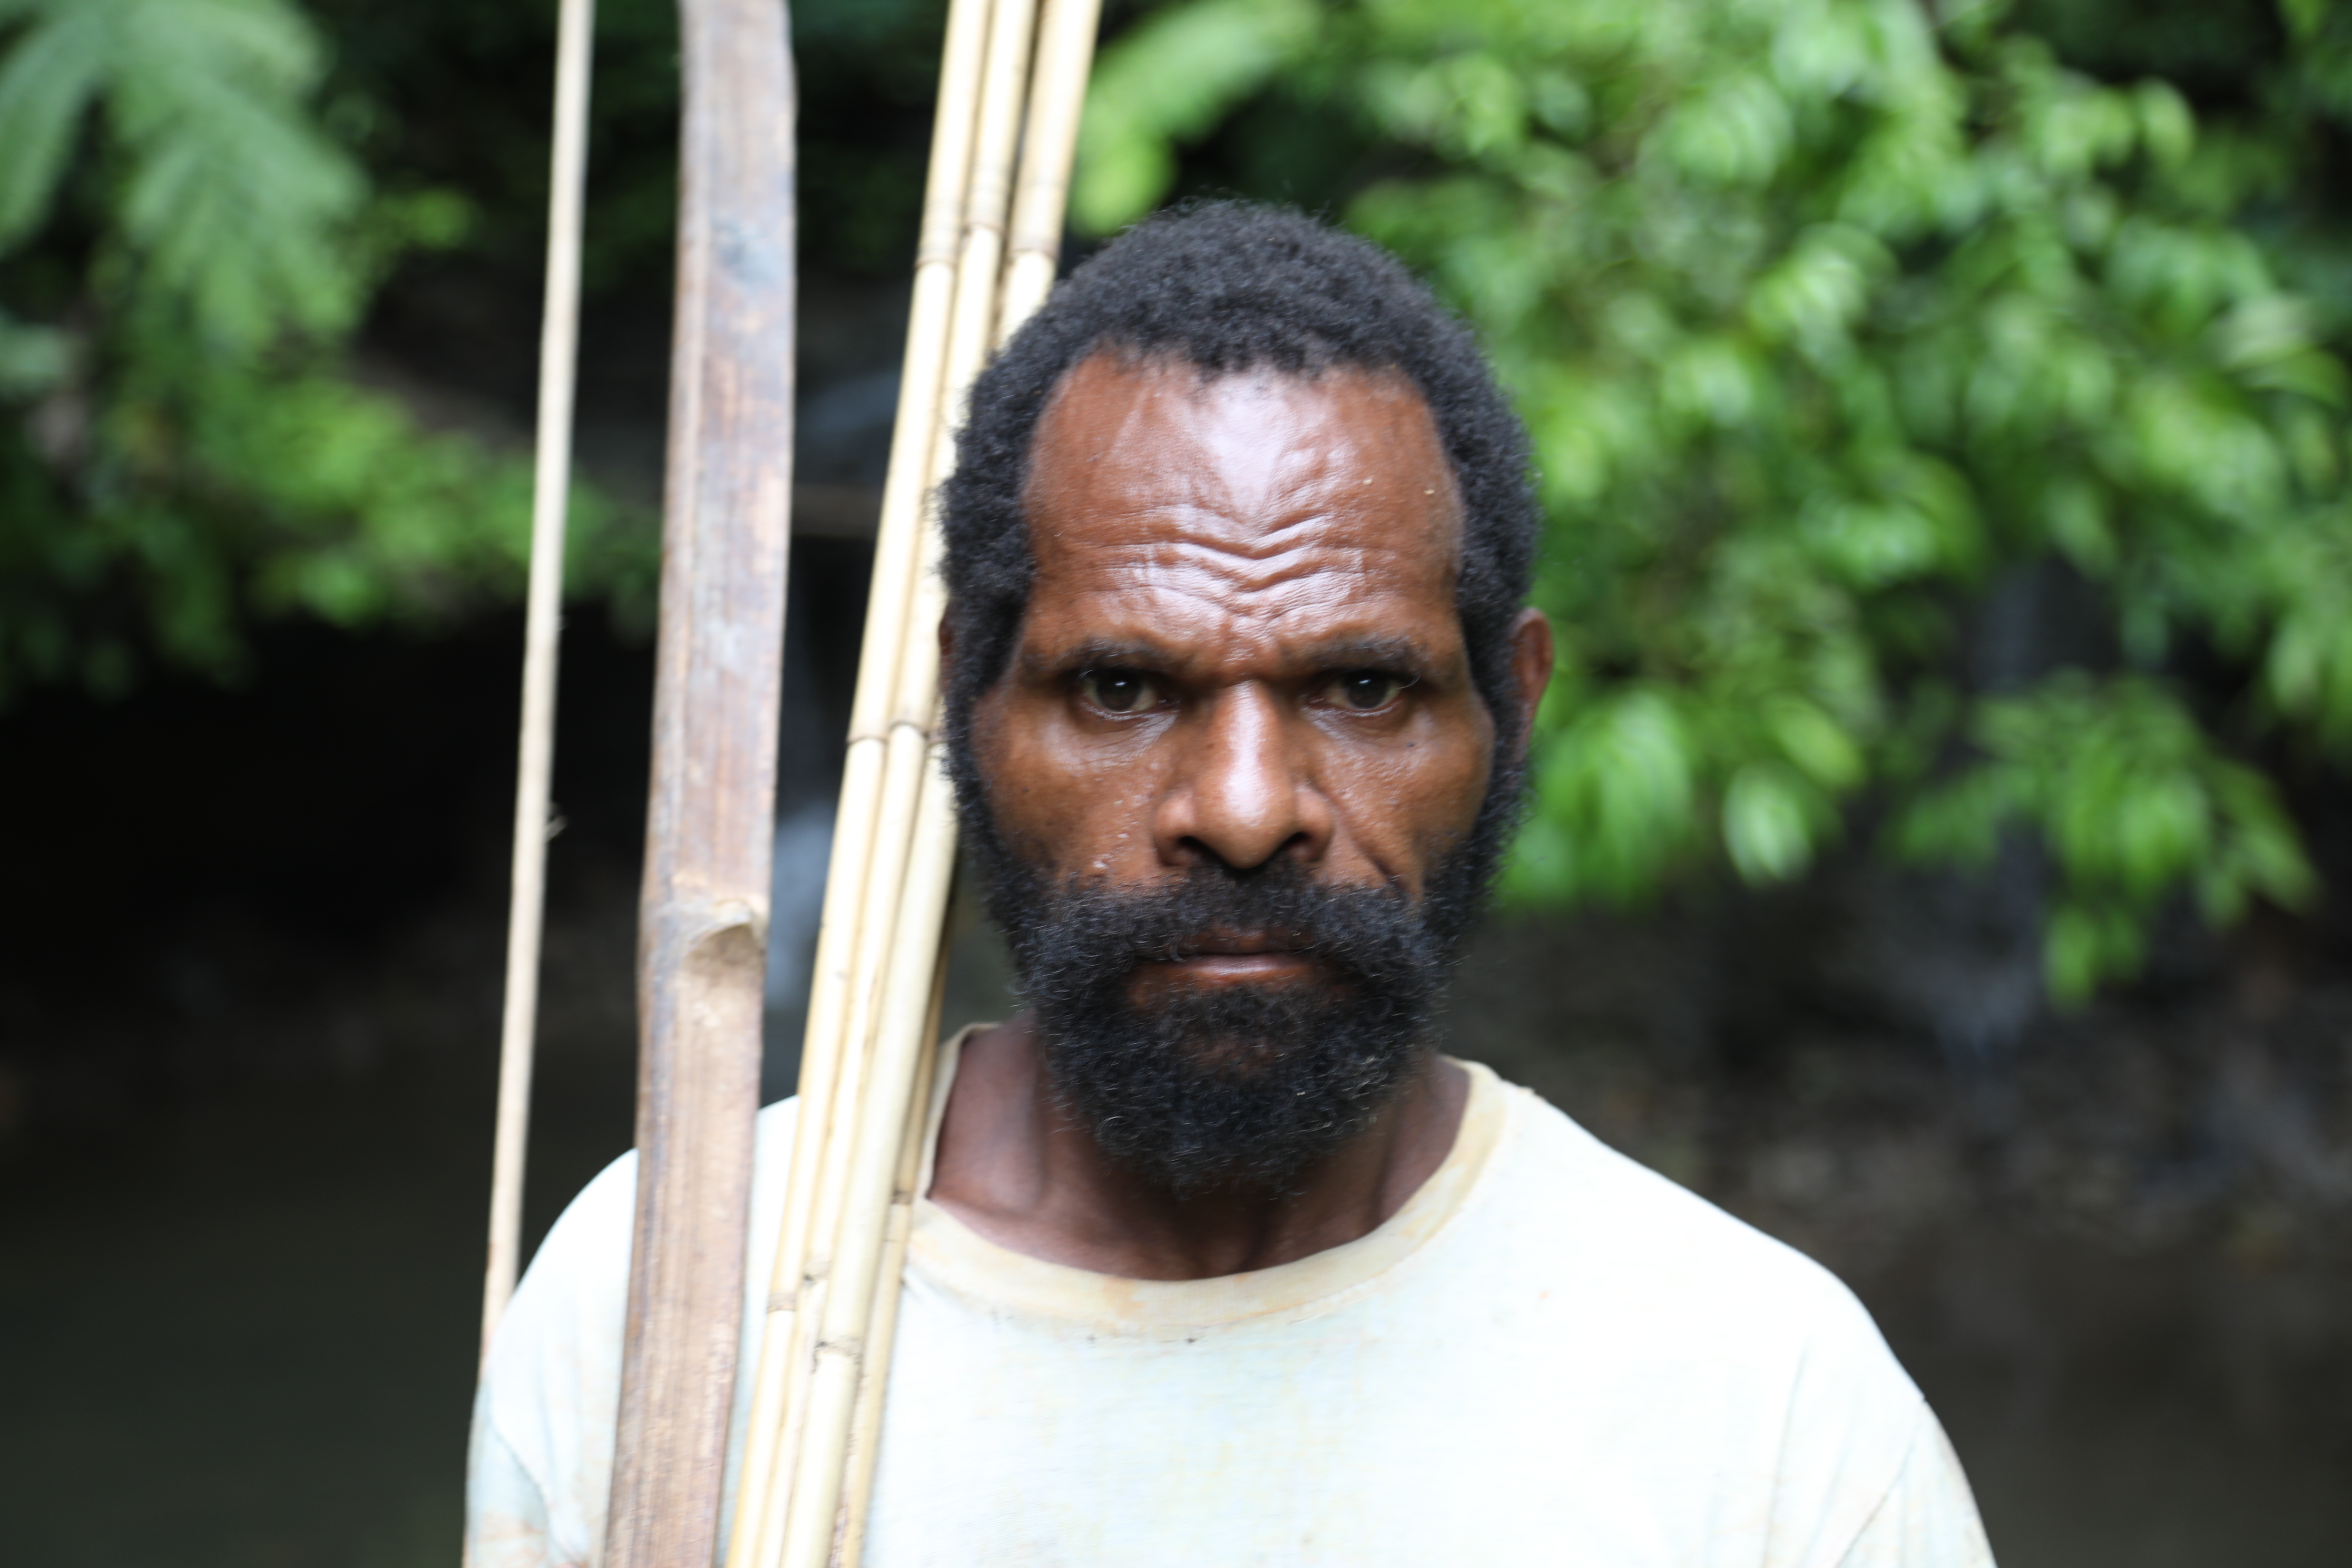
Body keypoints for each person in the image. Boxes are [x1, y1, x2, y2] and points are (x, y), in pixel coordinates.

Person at [468, 203, 1996, 1567]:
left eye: (1364, 690)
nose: (1247, 810)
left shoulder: (1767, 1412)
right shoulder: (674, 1301)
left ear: (1512, 710)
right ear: (963, 705)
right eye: (1125, 688)